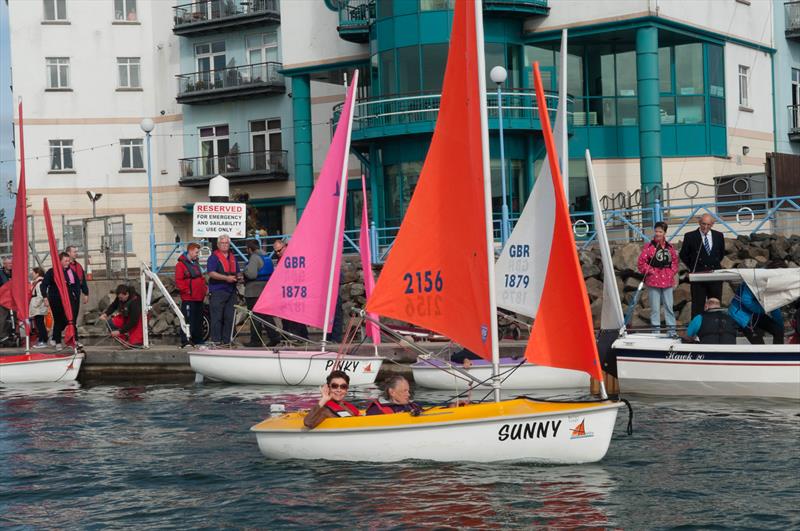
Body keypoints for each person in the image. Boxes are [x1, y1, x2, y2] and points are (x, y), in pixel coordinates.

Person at [679, 214, 725, 318]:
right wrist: (692, 265)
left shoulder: (719, 236)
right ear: (699, 223)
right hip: (698, 275)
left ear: (712, 225)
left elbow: (721, 254)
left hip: (715, 275)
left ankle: (715, 327)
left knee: (715, 304)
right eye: (703, 224)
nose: (705, 227)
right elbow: (683, 254)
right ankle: (697, 331)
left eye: (708, 224)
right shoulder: (690, 236)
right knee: (697, 305)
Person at [637, 221, 679, 334]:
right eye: (656, 231)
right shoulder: (649, 247)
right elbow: (641, 263)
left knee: (669, 308)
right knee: (655, 309)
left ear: (665, 232)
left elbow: (675, 262)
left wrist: (671, 272)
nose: (658, 233)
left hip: (668, 281)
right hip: (653, 281)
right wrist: (651, 271)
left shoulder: (670, 247)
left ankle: (672, 332)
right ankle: (656, 333)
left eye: (660, 231)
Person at [243, 239, 280, 347]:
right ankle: (274, 336)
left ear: (250, 249)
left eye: (247, 248)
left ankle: (256, 341)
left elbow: (251, 274)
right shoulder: (266, 256)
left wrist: (244, 271)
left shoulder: (254, 257)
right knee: (266, 315)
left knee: (254, 317)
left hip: (254, 290)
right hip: (265, 289)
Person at [206, 234, 241, 345]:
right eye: (222, 243)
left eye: (226, 243)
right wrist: (226, 278)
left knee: (230, 317)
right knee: (217, 317)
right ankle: (216, 340)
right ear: (218, 244)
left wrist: (240, 277)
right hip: (218, 290)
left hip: (231, 291)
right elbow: (211, 273)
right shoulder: (213, 257)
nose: (225, 245)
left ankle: (227, 340)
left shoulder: (232, 257)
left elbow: (237, 271)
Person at [42, 252, 81, 348]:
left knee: (71, 320)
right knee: (58, 320)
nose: (68, 263)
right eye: (66, 261)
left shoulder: (70, 272)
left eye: (68, 261)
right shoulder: (52, 272)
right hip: (56, 299)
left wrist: (76, 296)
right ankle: (57, 341)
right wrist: (45, 297)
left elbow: (76, 284)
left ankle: (74, 340)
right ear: (59, 261)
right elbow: (43, 285)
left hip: (68, 300)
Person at [272, 239, 308, 340]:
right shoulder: (280, 258)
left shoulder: (293, 256)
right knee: (286, 316)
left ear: (285, 247)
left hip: (295, 291)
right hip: (286, 291)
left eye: (279, 250)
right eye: (275, 251)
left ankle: (300, 337)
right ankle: (287, 336)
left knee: (296, 316)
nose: (277, 253)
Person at [175, 242, 207, 347]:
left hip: (198, 297)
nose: (198, 254)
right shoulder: (180, 265)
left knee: (198, 320)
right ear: (191, 251)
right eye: (196, 252)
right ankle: (186, 340)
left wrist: (204, 289)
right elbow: (179, 281)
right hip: (189, 297)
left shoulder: (195, 264)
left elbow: (201, 278)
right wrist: (187, 291)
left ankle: (198, 340)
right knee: (188, 320)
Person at [66, 246, 90, 336]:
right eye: (74, 252)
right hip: (67, 294)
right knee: (66, 317)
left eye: (76, 251)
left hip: (76, 295)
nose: (76, 253)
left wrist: (86, 293)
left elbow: (82, 281)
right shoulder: (65, 266)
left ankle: (74, 336)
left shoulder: (79, 266)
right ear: (68, 253)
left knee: (74, 316)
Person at [29, 267, 49, 348]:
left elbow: (41, 296)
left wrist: (35, 305)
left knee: (40, 324)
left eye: (33, 273)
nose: (31, 274)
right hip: (38, 307)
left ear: (37, 274)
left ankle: (43, 340)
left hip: (38, 307)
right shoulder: (38, 282)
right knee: (40, 324)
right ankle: (42, 339)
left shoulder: (39, 283)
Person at [0, 256, 11, 342]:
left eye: (11, 263)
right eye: (9, 263)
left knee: (13, 317)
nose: (11, 265)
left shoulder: (14, 272)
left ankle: (12, 333)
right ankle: (3, 336)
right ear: (4, 264)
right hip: (2, 299)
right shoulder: (0, 273)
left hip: (12, 299)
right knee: (3, 317)